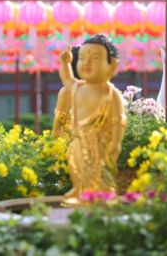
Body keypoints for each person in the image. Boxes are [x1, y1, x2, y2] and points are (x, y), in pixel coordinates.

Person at [52, 34, 127, 206]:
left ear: (111, 66)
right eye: (83, 59)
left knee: (96, 169)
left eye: (95, 58)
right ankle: (79, 188)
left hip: (98, 140)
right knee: (75, 162)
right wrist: (64, 63)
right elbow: (60, 119)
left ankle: (98, 194)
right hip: (77, 138)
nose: (87, 64)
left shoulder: (109, 92)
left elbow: (118, 120)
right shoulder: (73, 89)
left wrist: (116, 142)